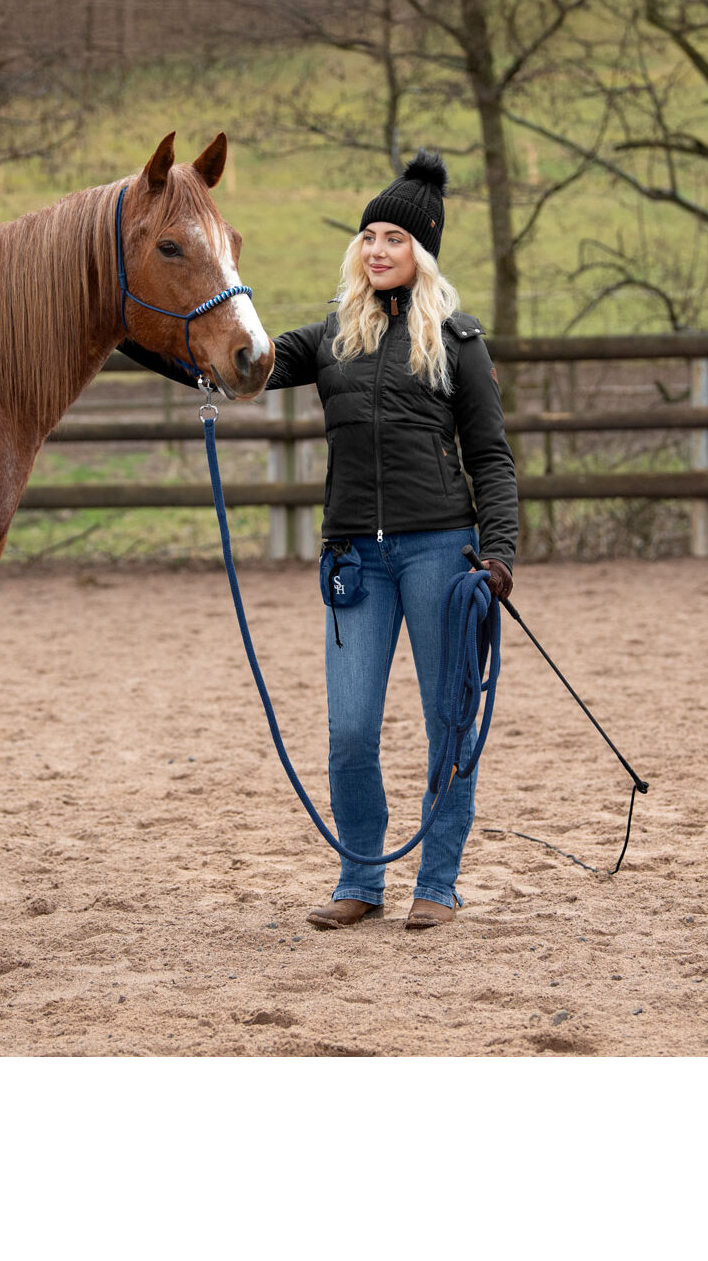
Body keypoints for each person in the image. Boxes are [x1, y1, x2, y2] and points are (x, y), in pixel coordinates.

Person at [122, 151, 518, 931]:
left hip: (442, 551)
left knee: (450, 720)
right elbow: (243, 368)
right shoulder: (333, 338)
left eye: (395, 239)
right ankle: (361, 879)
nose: (377, 249)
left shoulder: (459, 342)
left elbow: (493, 458)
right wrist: (133, 332)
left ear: (421, 254)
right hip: (356, 562)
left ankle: (437, 882)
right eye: (369, 235)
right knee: (349, 729)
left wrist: (498, 554)